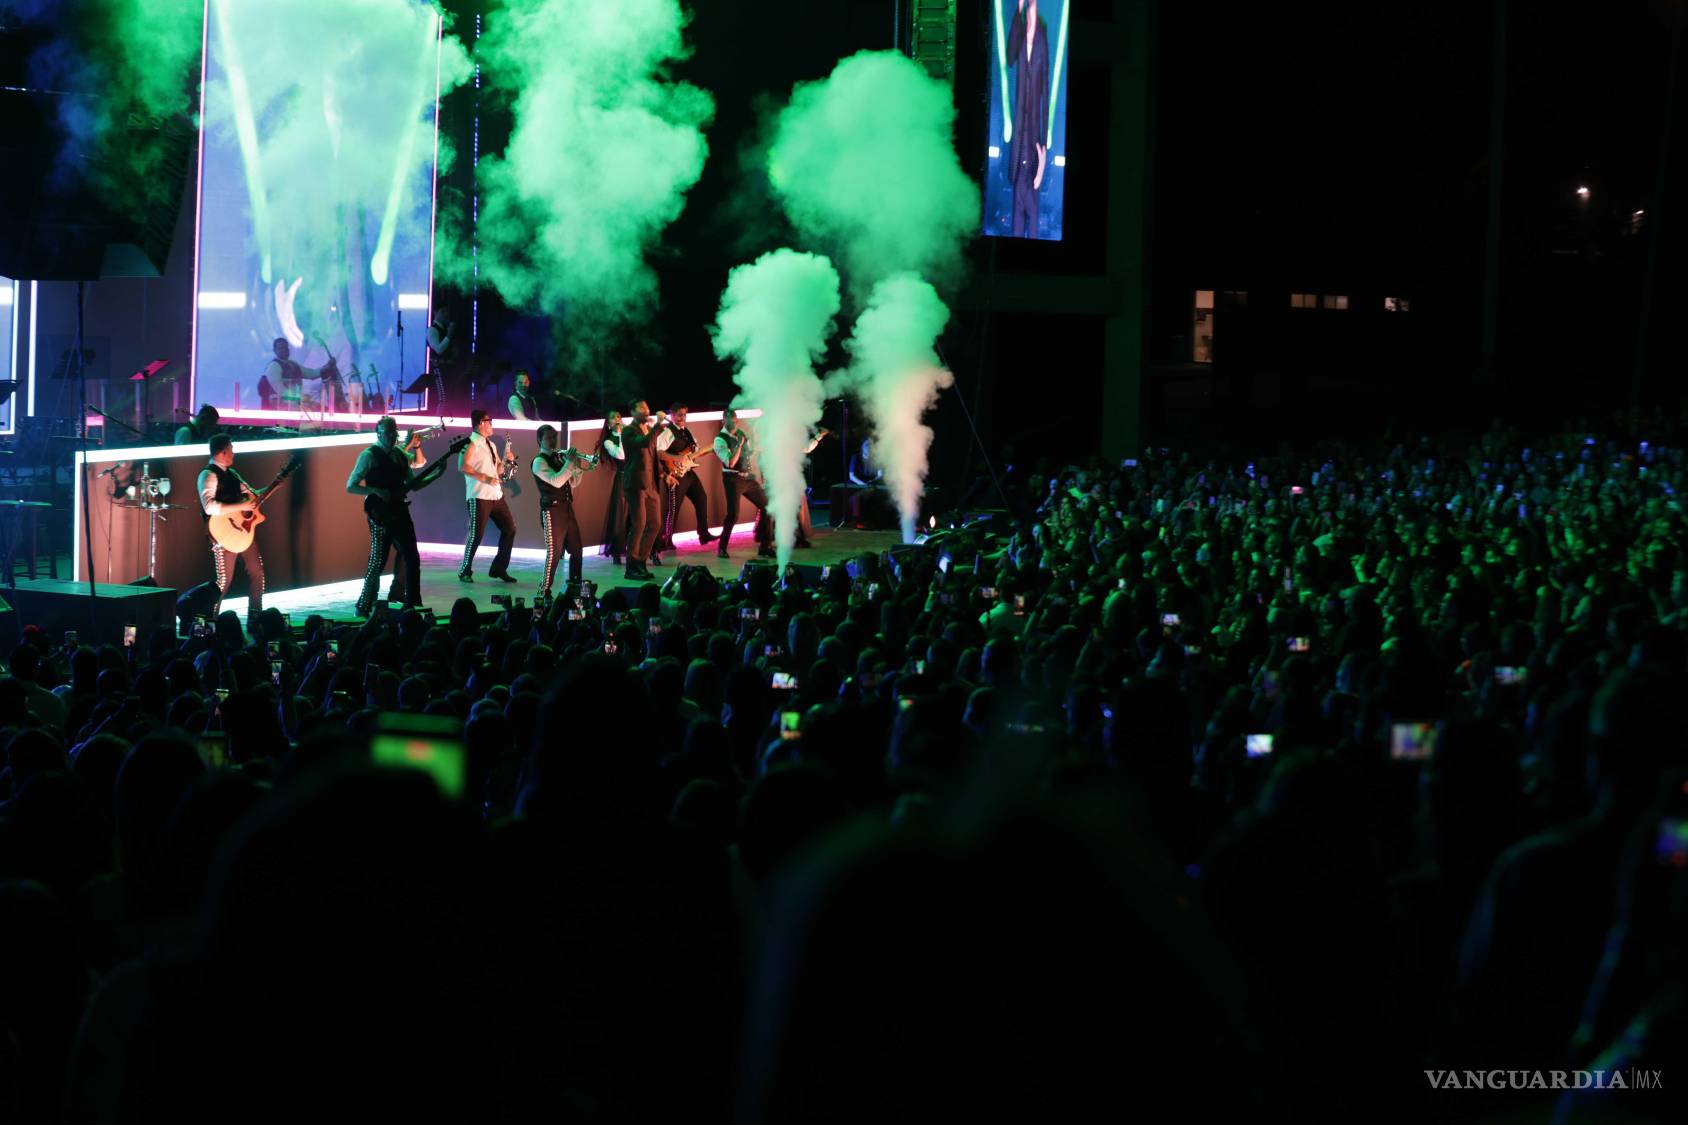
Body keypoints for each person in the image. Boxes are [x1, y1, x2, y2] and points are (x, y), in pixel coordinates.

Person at [345, 416, 438, 618]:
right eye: (388, 432)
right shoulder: (368, 455)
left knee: (412, 557)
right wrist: (375, 490)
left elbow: (413, 485)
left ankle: (413, 602)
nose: (392, 436)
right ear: (379, 434)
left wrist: (436, 475)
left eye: (394, 431)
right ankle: (364, 604)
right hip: (379, 514)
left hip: (399, 510)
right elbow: (351, 486)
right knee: (377, 561)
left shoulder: (400, 455)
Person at [196, 434, 267, 625]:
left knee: (257, 572)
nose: (234, 453)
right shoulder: (208, 474)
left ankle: (255, 618)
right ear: (223, 452)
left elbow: (252, 495)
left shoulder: (233, 474)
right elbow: (209, 507)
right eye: (231, 449)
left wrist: (274, 485)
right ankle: (211, 622)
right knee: (223, 581)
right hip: (222, 534)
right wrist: (241, 507)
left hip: (243, 532)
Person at [531, 424, 596, 599]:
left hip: (567, 509)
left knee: (577, 550)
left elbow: (572, 483)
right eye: (549, 437)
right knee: (554, 553)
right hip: (551, 511)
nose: (553, 440)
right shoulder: (539, 461)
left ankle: (575, 588)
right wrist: (569, 462)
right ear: (540, 440)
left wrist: (577, 467)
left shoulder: (559, 458)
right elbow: (556, 481)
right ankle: (543, 591)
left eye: (554, 436)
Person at [456, 409, 519, 584]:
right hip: (479, 496)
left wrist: (507, 461)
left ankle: (499, 569)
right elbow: (462, 466)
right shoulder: (471, 443)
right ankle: (464, 570)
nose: (491, 424)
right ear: (481, 423)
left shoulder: (490, 444)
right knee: (476, 535)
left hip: (496, 495)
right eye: (489, 421)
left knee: (510, 529)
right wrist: (486, 478)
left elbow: (498, 469)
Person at [1006, 0, 1051, 239]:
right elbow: (1010, 57)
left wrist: (1043, 162)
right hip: (1020, 131)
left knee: (1032, 216)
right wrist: (1018, 10)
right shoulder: (1019, 27)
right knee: (1016, 218)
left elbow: (1046, 77)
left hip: (1035, 130)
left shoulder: (1043, 31)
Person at [620, 400, 674, 580]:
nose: (647, 410)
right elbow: (643, 443)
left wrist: (664, 475)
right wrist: (658, 425)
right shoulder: (628, 431)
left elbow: (653, 458)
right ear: (632, 412)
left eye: (647, 407)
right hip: (635, 485)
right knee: (639, 525)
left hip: (651, 485)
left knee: (655, 524)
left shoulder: (647, 430)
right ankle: (631, 566)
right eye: (642, 408)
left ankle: (641, 562)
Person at [656, 403, 717, 552]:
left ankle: (703, 534)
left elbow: (695, 450)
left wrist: (709, 451)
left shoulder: (687, 431)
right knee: (673, 509)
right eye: (679, 415)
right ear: (672, 416)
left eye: (684, 414)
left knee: (701, 497)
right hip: (675, 475)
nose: (682, 418)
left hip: (688, 472)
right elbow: (659, 453)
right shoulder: (667, 433)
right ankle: (666, 540)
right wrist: (676, 458)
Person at [713, 408, 772, 560]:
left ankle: (765, 546)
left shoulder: (741, 433)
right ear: (723, 421)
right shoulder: (719, 440)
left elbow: (749, 452)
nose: (732, 423)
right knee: (733, 515)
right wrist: (739, 445)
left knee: (768, 506)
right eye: (728, 420)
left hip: (747, 478)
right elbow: (730, 463)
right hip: (733, 479)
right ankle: (721, 548)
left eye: (734, 420)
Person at [262, 337, 331, 413]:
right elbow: (281, 391)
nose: (284, 350)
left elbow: (311, 374)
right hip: (282, 410)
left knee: (325, 411)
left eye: (286, 347)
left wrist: (327, 367)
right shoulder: (273, 366)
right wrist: (301, 400)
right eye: (281, 348)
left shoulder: (293, 364)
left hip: (296, 406)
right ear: (275, 350)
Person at [597, 410, 628, 564]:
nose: (616, 419)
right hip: (623, 478)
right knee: (620, 516)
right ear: (608, 424)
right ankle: (617, 551)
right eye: (612, 417)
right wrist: (621, 434)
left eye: (618, 416)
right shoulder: (608, 441)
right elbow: (621, 455)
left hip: (636, 477)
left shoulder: (629, 433)